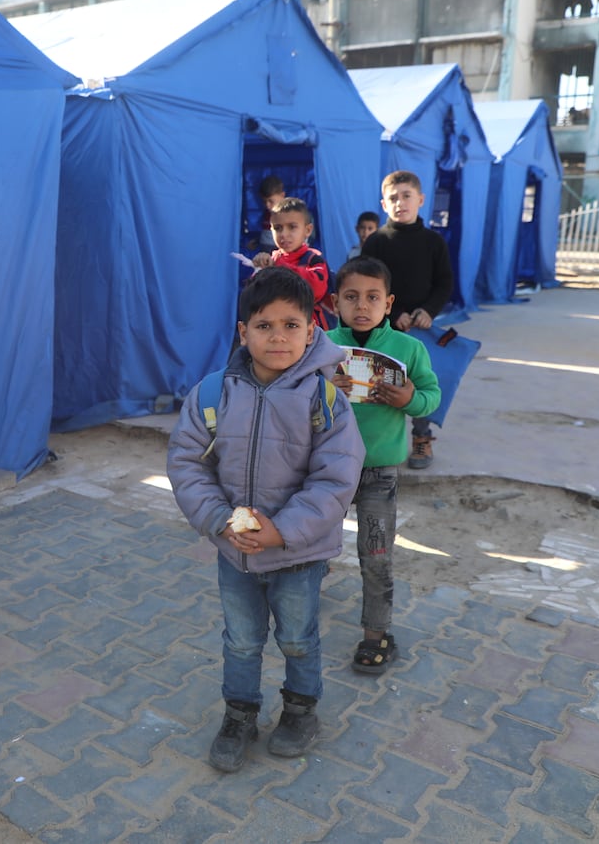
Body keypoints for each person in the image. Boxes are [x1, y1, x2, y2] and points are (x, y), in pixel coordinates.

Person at [167, 268, 365, 773]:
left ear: (312, 330)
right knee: (241, 639)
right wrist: (217, 518)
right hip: (235, 554)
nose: (278, 337)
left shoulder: (327, 401)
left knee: (298, 637)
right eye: (263, 326)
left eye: (291, 325)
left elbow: (336, 479)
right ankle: (240, 714)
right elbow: (187, 462)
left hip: (300, 555)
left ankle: (301, 710)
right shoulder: (213, 394)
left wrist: (284, 531)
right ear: (242, 332)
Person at [327, 257, 441, 674]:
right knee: (310, 543)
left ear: (389, 303)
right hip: (328, 468)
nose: (362, 306)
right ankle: (296, 608)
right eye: (352, 297)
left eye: (373, 297)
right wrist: (322, 388)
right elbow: (294, 396)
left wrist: (409, 399)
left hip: (379, 473)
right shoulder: (322, 343)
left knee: (375, 556)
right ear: (336, 301)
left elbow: (432, 397)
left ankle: (377, 635)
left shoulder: (409, 349)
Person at [360, 170, 453, 469]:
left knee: (419, 383)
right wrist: (392, 312)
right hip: (383, 327)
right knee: (379, 385)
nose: (400, 202)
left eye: (406, 196)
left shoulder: (434, 242)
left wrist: (428, 310)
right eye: (393, 198)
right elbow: (368, 283)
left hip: (421, 330)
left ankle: (421, 438)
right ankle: (370, 442)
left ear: (421, 200)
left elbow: (444, 283)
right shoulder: (375, 242)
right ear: (384, 204)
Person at [254, 198, 334, 330]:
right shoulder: (271, 260)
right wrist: (258, 268)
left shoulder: (314, 259)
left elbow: (314, 290)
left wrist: (280, 267)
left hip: (311, 333)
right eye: (278, 228)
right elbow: (255, 296)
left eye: (292, 227)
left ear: (308, 230)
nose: (284, 234)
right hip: (279, 331)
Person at [243, 174, 285, 259]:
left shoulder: (288, 214)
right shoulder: (267, 213)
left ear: (282, 195)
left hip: (279, 251)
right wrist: (257, 241)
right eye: (264, 202)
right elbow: (266, 232)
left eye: (271, 201)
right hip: (265, 250)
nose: (267, 205)